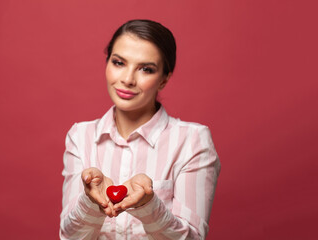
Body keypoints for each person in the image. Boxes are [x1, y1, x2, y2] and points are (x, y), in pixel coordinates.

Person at [60, 19, 221, 240]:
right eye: (118, 63)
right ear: (107, 63)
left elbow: (192, 238)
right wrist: (90, 203)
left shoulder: (192, 141)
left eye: (146, 69)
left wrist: (149, 206)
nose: (127, 79)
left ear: (164, 79)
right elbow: (69, 237)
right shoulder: (80, 136)